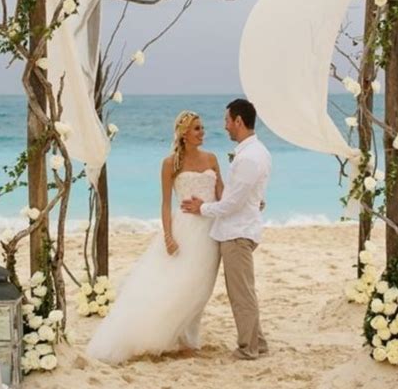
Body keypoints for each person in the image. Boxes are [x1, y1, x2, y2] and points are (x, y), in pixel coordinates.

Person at [87, 110, 223, 363]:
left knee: (201, 287)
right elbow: (164, 204)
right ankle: (184, 341)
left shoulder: (212, 159)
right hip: (184, 230)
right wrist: (168, 236)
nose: (202, 132)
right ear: (183, 134)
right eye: (196, 128)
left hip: (210, 232)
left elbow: (223, 195)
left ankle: (189, 337)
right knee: (181, 283)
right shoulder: (170, 163)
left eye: (202, 127)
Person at [182, 98, 272, 360]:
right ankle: (258, 343)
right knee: (243, 291)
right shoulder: (255, 152)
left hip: (237, 233)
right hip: (238, 228)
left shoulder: (249, 158)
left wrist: (203, 209)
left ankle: (248, 348)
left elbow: (232, 203)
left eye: (227, 121)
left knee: (241, 295)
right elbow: (245, 194)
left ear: (239, 122)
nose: (225, 127)